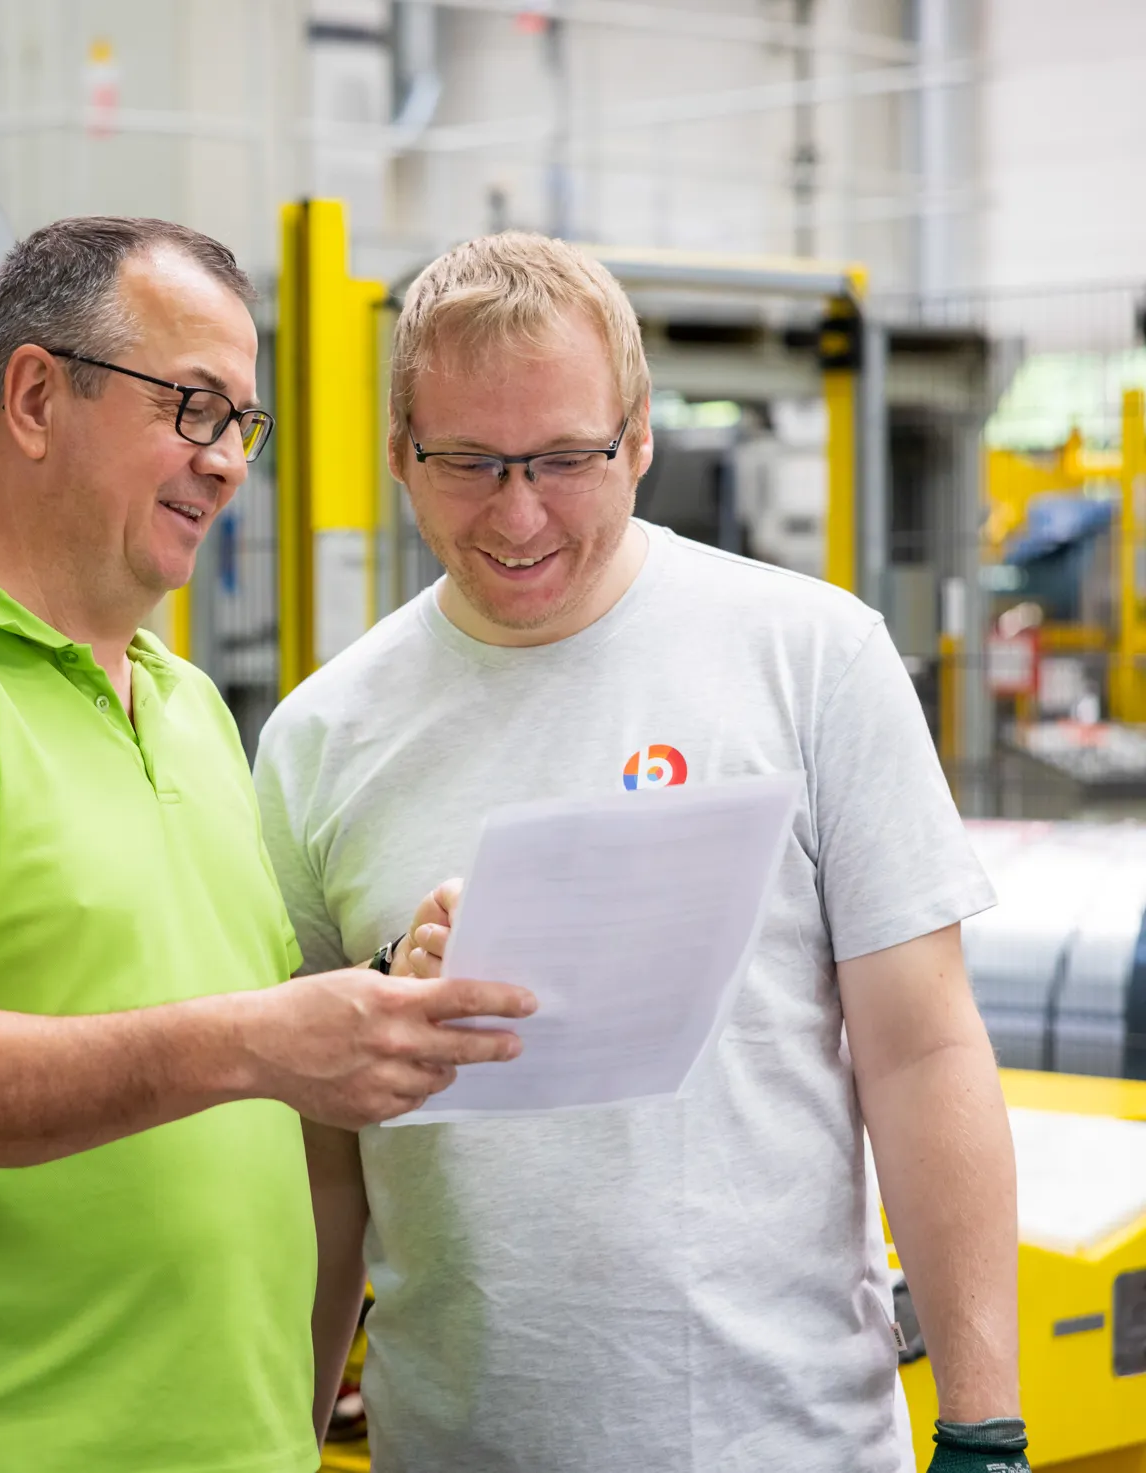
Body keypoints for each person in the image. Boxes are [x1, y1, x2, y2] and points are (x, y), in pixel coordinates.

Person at [0, 216, 536, 1473]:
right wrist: (261, 1039)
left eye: (242, 425)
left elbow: (227, 1043)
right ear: (36, 399)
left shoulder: (188, 710)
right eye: (192, 408)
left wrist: (382, 999)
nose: (225, 464)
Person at [254, 232, 1026, 1472]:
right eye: (469, 463)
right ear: (399, 452)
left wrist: (985, 1430)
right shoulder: (321, 740)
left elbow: (924, 1050)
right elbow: (318, 1160)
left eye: (566, 459)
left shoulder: (809, 660)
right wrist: (281, 1443)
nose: (518, 514)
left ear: (641, 438)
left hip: (789, 1445)